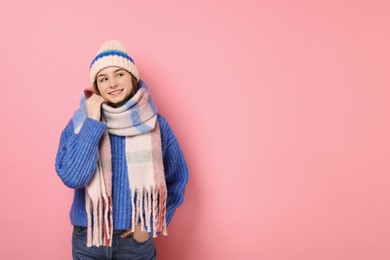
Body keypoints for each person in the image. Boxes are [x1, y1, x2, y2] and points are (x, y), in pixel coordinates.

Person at [55, 40, 189, 259]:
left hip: (134, 242)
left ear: (132, 78)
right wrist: (92, 123)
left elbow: (178, 177)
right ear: (97, 87)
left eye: (119, 74)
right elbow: (73, 177)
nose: (112, 83)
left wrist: (148, 227)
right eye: (103, 78)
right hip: (88, 239)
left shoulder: (155, 124)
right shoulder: (81, 123)